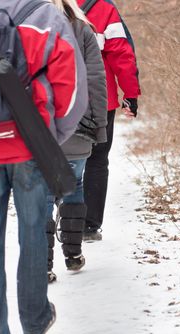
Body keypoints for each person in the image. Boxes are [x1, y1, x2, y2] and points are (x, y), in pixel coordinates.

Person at [0, 0, 88, 334]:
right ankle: (35, 320)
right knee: (34, 230)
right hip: (30, 147)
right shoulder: (46, 16)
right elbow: (73, 89)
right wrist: (50, 136)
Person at [46, 0, 107, 282]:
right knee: (74, 186)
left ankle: (42, 265)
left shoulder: (26, 29)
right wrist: (99, 126)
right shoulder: (84, 30)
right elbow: (96, 80)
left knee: (42, 194)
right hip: (78, 125)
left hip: (40, 128)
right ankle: (72, 255)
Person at [77, 0, 141, 241]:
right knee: (97, 159)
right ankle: (90, 226)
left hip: (58, 99)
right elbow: (121, 53)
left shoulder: (47, 5)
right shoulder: (104, 8)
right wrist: (131, 94)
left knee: (61, 158)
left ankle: (65, 217)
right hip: (99, 99)